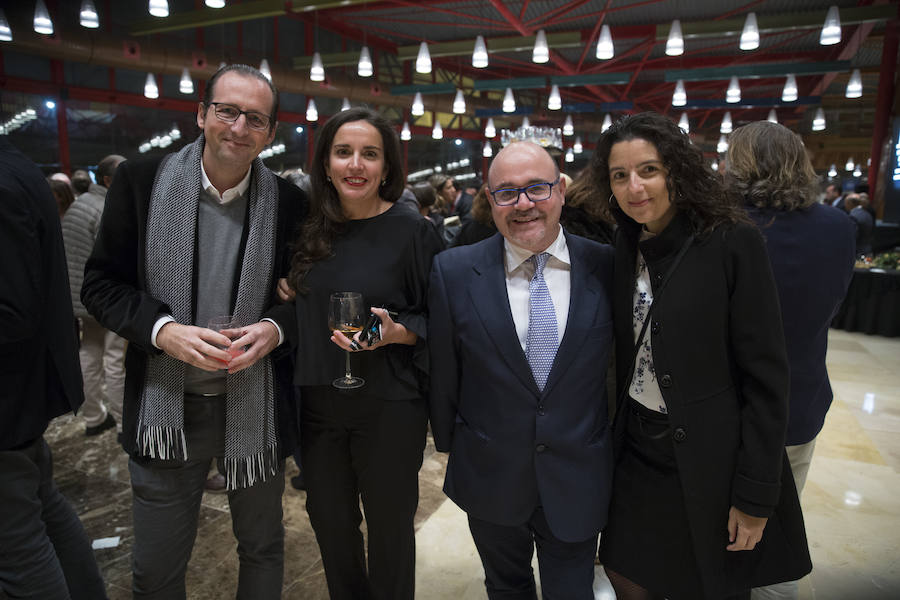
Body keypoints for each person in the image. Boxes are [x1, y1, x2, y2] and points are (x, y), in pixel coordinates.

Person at [81, 64, 306, 599]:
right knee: (155, 571)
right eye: (227, 111)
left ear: (270, 133)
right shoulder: (142, 182)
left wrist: (276, 328)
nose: (238, 127)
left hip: (254, 406)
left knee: (263, 548)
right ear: (202, 114)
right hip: (167, 403)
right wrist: (163, 331)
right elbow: (100, 285)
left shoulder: (291, 204)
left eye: (255, 118)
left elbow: (311, 298)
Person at [588, 112, 812, 600]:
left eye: (648, 170)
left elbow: (767, 379)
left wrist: (755, 496)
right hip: (636, 455)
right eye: (619, 175)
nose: (634, 187)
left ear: (677, 170)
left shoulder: (731, 240)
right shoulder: (625, 242)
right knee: (625, 573)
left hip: (709, 463)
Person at [429, 141, 616, 599]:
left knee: (572, 591)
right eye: (507, 193)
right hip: (490, 472)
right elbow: (445, 369)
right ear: (490, 201)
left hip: (579, 473)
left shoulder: (608, 266)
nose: (524, 204)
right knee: (506, 587)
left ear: (561, 192)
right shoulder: (453, 271)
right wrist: (452, 443)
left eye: (537, 188)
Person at [281, 107, 443, 599]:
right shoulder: (307, 230)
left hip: (389, 406)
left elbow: (442, 322)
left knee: (391, 536)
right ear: (326, 163)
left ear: (388, 167)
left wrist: (398, 332)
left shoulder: (413, 231)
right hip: (317, 406)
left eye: (369, 154)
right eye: (343, 152)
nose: (356, 164)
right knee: (332, 530)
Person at [725, 121, 855, 600]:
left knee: (717, 543)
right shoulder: (839, 227)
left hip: (730, 416)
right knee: (782, 527)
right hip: (802, 403)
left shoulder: (723, 229)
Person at [0, 137, 108, 599]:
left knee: (15, 545)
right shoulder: (18, 168)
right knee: (41, 508)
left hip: (10, 388)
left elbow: (10, 310)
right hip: (28, 381)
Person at [61, 154, 127, 437]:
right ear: (108, 180)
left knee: (88, 352)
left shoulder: (80, 204)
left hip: (80, 297)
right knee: (115, 359)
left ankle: (93, 416)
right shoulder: (106, 209)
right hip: (104, 298)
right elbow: (115, 260)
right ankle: (125, 422)